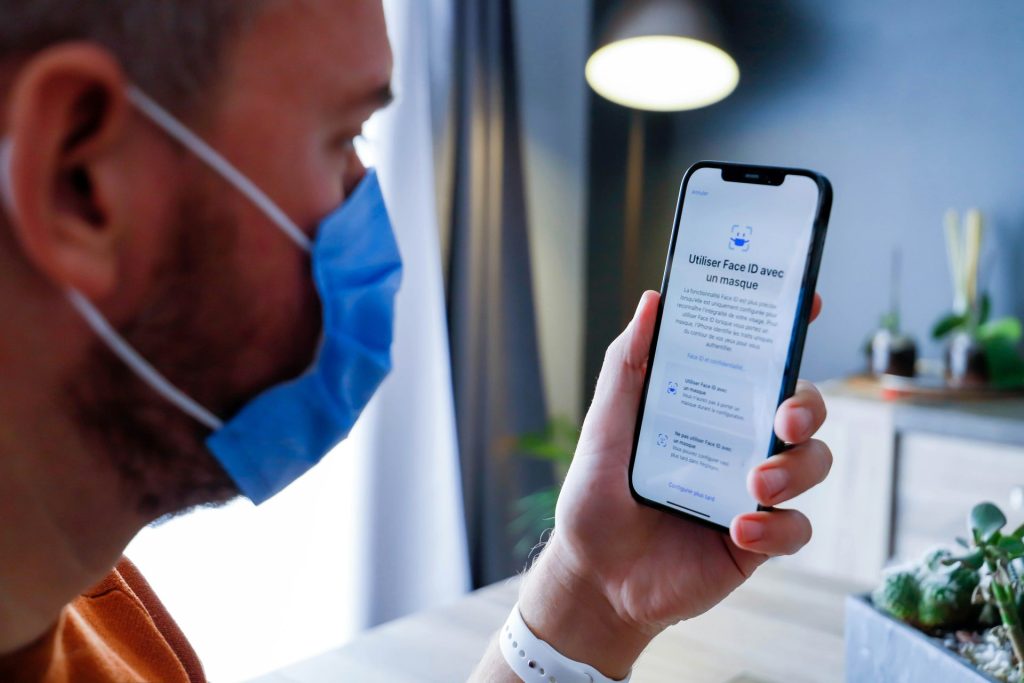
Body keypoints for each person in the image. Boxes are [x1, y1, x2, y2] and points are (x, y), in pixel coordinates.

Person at [0, 2, 833, 681]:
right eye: (343, 138)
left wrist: (593, 593)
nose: (371, 213)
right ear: (79, 180)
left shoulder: (95, 615)